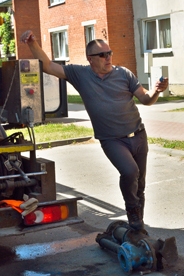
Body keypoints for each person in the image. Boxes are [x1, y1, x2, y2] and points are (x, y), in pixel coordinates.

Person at [21, 31, 168, 231]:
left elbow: (146, 99)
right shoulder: (80, 75)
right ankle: (133, 213)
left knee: (140, 183)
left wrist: (157, 91)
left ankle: (137, 224)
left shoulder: (124, 74)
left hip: (138, 134)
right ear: (90, 59)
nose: (108, 58)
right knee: (130, 171)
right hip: (112, 140)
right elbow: (48, 66)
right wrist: (33, 43)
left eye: (110, 53)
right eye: (103, 55)